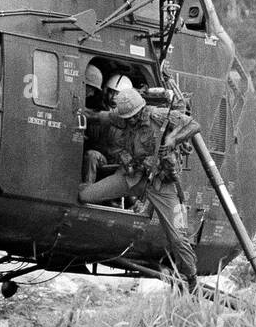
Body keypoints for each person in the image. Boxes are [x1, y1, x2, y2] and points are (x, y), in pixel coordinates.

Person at [78, 86, 201, 291]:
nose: (132, 121)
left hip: (160, 184)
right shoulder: (120, 117)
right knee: (85, 195)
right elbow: (99, 117)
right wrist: (78, 112)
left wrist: (173, 139)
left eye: (134, 116)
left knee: (178, 238)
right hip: (131, 177)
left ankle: (192, 278)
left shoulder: (158, 115)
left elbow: (193, 125)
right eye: (128, 118)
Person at [81, 66, 131, 186]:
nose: (113, 97)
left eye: (118, 94)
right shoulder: (97, 109)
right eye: (111, 92)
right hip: (101, 158)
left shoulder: (128, 117)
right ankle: (87, 190)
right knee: (91, 155)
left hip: (118, 163)